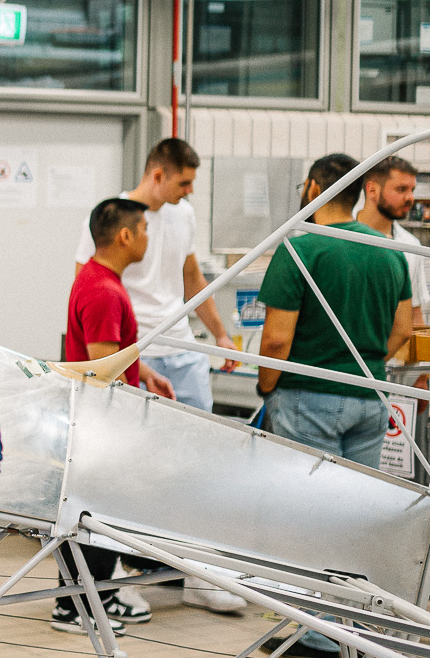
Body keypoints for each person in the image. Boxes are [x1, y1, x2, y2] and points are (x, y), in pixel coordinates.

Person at [72, 138, 242, 616]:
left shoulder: (182, 217)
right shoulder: (112, 218)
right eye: (183, 182)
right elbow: (87, 285)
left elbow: (191, 277)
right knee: (131, 472)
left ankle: (199, 573)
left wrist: (221, 335)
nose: (188, 193)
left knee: (199, 467)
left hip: (182, 352)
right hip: (132, 349)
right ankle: (120, 572)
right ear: (158, 173)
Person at [55, 198, 173, 632]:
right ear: (125, 235)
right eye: (143, 228)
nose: (147, 237)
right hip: (101, 422)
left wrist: (147, 373)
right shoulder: (104, 291)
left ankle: (89, 598)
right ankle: (76, 607)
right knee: (94, 517)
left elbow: (113, 351)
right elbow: (103, 367)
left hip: (95, 420)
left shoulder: (95, 277)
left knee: (93, 513)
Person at [257, 151, 413, 466]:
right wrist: (359, 368)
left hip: (308, 397)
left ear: (314, 188)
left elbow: (276, 341)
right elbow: (403, 329)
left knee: (306, 505)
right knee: (355, 506)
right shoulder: (391, 251)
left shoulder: (298, 250)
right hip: (370, 399)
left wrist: (265, 386)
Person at [357, 155, 428, 331]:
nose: (410, 197)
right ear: (372, 190)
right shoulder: (337, 234)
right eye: (401, 189)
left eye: (412, 189)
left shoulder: (411, 245)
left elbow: (414, 311)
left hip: (389, 356)